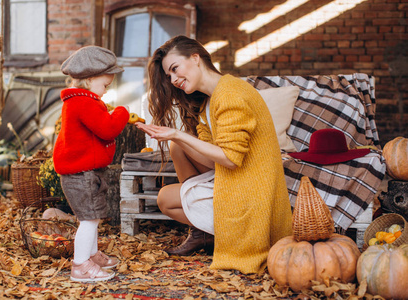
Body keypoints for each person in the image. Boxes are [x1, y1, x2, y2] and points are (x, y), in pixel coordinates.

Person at [135, 35, 293, 274]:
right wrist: (176, 138)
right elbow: (213, 161)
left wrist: (178, 135)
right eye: (169, 76)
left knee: (169, 184)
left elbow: (230, 159)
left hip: (252, 193)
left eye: (175, 69)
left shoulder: (230, 93)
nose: (174, 79)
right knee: (175, 156)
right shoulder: (210, 100)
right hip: (236, 177)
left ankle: (217, 233)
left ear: (196, 58)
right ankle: (203, 234)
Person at [53, 46, 130, 282]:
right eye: (105, 85)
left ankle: (91, 255)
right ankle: (80, 266)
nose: (106, 91)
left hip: (83, 173)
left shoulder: (77, 102)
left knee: (91, 217)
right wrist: (122, 112)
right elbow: (107, 130)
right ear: (88, 80)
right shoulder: (84, 103)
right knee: (89, 219)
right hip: (82, 174)